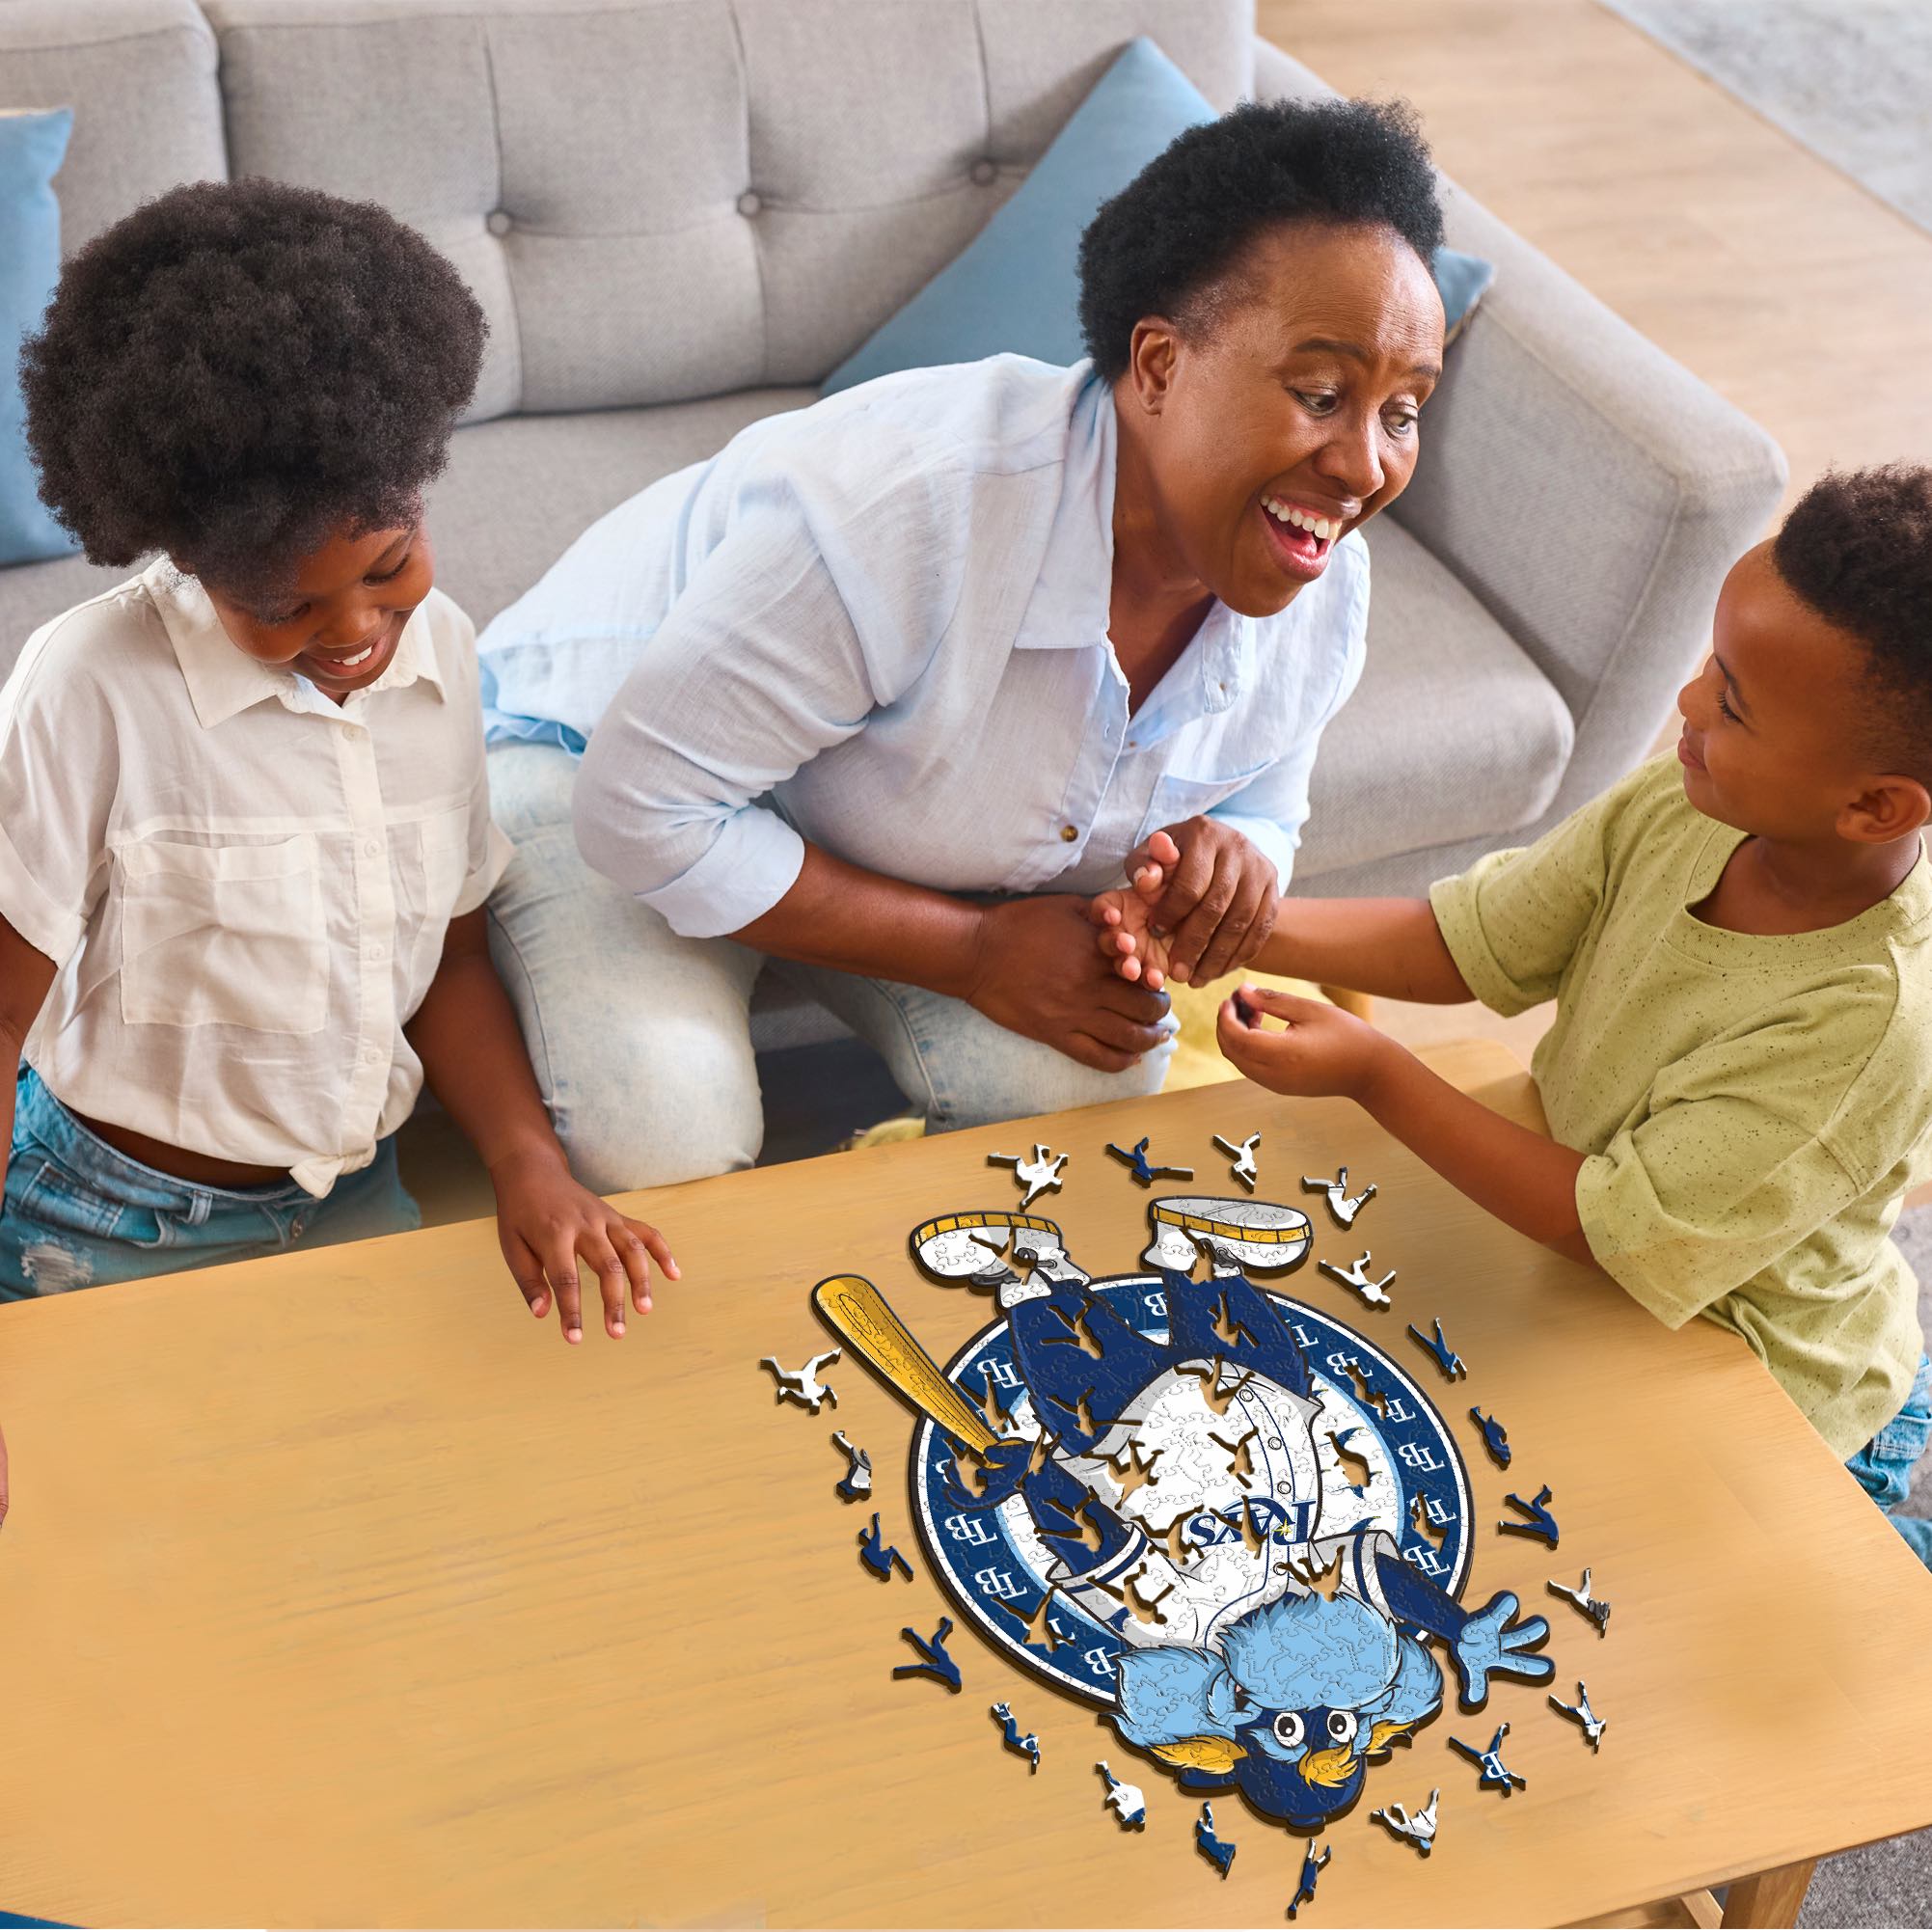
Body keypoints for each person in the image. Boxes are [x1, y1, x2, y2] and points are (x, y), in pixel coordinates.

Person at [476, 96, 1451, 1189]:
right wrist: (973, 952)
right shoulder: (909, 511)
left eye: (1402, 411)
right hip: (597, 757)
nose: (1364, 466)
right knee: (665, 1141)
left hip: (855, 827)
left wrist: (1230, 857)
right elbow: (641, 809)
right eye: (1320, 394)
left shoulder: (1319, 584)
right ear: (1158, 365)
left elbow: (1263, 805)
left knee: (1097, 1071)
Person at [1095, 468, 1932, 1564]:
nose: (1686, 704)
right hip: (1603, 1250)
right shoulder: (1693, 796)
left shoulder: (1865, 1025)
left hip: (1762, 1376)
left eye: (1731, 704)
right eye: (1709, 666)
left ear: (1872, 804)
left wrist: (1375, 1071)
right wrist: (1230, 920)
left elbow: (1605, 1227)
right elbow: (1475, 939)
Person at [0, 180, 676, 1373]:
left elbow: (445, 957)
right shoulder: (89, 685)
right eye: (283, 605)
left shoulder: (443, 650)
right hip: (108, 1225)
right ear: (189, 556)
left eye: (389, 565)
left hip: (352, 1197)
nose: (358, 630)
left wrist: (528, 1160)